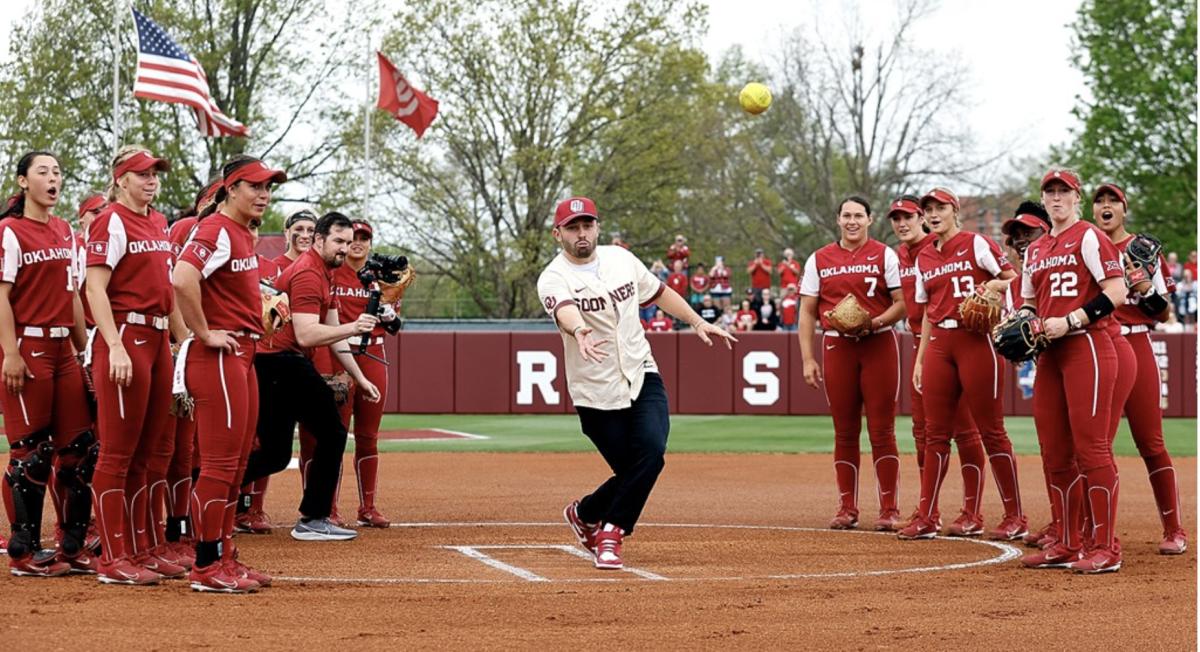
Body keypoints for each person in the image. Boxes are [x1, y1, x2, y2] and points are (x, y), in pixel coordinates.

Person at [542, 197, 735, 570]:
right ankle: (585, 513)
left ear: (597, 227)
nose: (582, 233)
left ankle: (611, 531)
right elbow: (564, 308)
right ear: (558, 234)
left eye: (587, 225)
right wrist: (579, 328)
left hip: (641, 371)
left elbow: (658, 293)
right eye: (572, 227)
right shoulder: (553, 276)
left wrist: (696, 321)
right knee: (634, 468)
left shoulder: (620, 259)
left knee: (651, 452)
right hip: (595, 390)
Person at [174, 155, 287, 592]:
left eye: (268, 188)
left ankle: (224, 556)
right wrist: (202, 333)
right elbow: (182, 278)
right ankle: (205, 565)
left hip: (244, 352)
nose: (263, 195)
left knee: (237, 464)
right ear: (231, 189)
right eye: (255, 186)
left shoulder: (241, 233)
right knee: (220, 466)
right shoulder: (215, 228)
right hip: (220, 356)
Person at [240, 212, 380, 542]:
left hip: (276, 364)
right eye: (338, 241)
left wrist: (358, 377)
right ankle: (314, 518)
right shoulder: (307, 273)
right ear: (319, 240)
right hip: (278, 362)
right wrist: (354, 325)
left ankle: (199, 486)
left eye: (348, 243)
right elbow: (306, 335)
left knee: (274, 455)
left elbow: (333, 334)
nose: (345, 249)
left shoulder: (324, 272)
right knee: (333, 431)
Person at [899, 187, 1026, 541]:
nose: (934, 214)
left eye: (940, 207)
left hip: (975, 340)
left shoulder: (976, 243)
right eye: (928, 210)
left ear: (955, 210)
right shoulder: (924, 257)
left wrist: (995, 293)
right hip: (940, 340)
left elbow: (1012, 279)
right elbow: (925, 311)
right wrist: (921, 359)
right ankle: (926, 516)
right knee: (936, 434)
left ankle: (1015, 515)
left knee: (991, 432)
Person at [86, 145, 187, 584]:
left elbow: (168, 286)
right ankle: (113, 555)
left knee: (148, 453)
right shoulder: (111, 219)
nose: (151, 180)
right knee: (117, 452)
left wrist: (182, 340)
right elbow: (94, 290)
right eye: (142, 174)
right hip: (126, 336)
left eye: (155, 174)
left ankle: (144, 548)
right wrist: (115, 345)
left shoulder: (158, 221)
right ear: (121, 179)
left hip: (159, 335)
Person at [1019, 169, 1127, 573]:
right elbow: (1030, 304)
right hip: (1050, 353)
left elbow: (1116, 291)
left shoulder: (1088, 236)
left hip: (1088, 345)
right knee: (1054, 451)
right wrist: (1023, 323)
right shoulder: (1036, 249)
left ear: (1076, 197)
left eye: (1064, 190)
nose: (1057, 197)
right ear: (1043, 199)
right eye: (1050, 191)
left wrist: (1073, 319)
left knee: (1091, 448)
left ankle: (1105, 546)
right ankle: (1067, 541)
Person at [0, 151, 94, 577]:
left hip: (63, 351)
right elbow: (1, 297)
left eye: (57, 171)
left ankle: (71, 544)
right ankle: (23, 552)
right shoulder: (9, 231)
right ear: (23, 182)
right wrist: (11, 353)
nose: (53, 178)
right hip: (28, 345)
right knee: (31, 455)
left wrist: (83, 351)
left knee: (79, 451)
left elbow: (73, 296)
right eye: (43, 171)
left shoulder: (65, 231)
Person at [798, 196, 906, 531]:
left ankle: (889, 508)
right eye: (846, 215)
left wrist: (874, 322)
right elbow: (807, 309)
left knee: (882, 430)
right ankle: (847, 507)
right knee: (844, 431)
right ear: (838, 220)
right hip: (838, 346)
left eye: (859, 215)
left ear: (870, 220)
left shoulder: (884, 254)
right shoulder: (820, 258)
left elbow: (902, 304)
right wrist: (807, 357)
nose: (852, 221)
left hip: (878, 343)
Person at [1091, 182, 1186, 554]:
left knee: (1150, 442)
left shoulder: (1141, 249)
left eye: (1113, 199)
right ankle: (1094, 531)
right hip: (1100, 344)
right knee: (1096, 444)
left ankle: (1174, 529)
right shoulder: (1087, 247)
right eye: (1099, 200)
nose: (1106, 205)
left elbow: (1163, 313)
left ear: (1124, 208)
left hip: (1137, 339)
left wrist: (1147, 287)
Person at [888, 194, 989, 535]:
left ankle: (972, 511)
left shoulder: (945, 245)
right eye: (896, 218)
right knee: (925, 433)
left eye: (910, 216)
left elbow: (1007, 278)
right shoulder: (905, 254)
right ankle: (927, 511)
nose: (903, 223)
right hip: (926, 345)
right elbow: (917, 306)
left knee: (965, 431)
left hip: (958, 340)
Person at [322, 219, 401, 528]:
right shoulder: (331, 270)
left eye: (364, 238)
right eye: (352, 237)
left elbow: (394, 328)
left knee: (368, 435)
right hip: (337, 352)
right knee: (336, 435)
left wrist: (389, 310)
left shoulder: (381, 278)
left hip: (373, 353)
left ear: (370, 242)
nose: (357, 242)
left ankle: (368, 506)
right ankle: (329, 507)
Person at [1000, 202, 1057, 548]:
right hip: (1049, 367)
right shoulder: (1015, 285)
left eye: (1028, 233)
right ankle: (1063, 521)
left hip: (1091, 356)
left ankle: (1088, 529)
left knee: (1085, 449)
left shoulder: (1061, 267)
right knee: (1052, 449)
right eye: (1015, 236)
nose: (1021, 241)